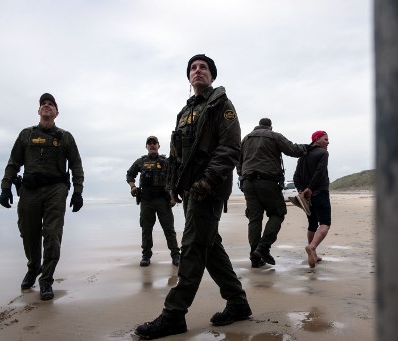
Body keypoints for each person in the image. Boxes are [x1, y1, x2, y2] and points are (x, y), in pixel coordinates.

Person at [135, 54, 251, 339]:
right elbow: (176, 153)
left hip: (208, 189)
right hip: (188, 191)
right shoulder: (185, 112)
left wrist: (208, 180)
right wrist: (171, 184)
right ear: (189, 77)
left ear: (212, 75)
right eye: (193, 68)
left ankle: (174, 314)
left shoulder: (221, 105)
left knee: (192, 247)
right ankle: (237, 302)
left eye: (203, 68)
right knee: (209, 246)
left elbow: (230, 148)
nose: (198, 71)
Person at [0, 93, 84, 301]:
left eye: (51, 104)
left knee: (52, 234)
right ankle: (33, 267)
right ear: (38, 111)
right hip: (29, 191)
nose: (47, 106)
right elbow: (13, 163)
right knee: (28, 233)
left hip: (56, 189)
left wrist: (78, 191)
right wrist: (6, 187)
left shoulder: (65, 137)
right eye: (43, 104)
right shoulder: (26, 135)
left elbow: (76, 165)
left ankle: (46, 279)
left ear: (56, 112)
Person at [237, 118, 307, 268]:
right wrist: (308, 147)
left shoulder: (245, 139)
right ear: (270, 126)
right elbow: (293, 150)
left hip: (248, 182)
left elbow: (238, 162)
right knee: (277, 213)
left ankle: (254, 258)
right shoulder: (274, 136)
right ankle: (263, 247)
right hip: (267, 181)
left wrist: (242, 177)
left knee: (254, 219)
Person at [126, 135, 180, 267]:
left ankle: (175, 255)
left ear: (158, 146)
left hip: (163, 200)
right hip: (146, 200)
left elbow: (174, 177)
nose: (152, 145)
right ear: (146, 147)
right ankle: (146, 255)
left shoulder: (166, 161)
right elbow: (129, 174)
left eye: (154, 143)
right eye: (149, 144)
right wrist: (133, 187)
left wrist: (173, 196)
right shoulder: (141, 161)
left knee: (169, 229)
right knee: (146, 229)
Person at [292, 130, 331, 268]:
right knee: (325, 222)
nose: (328, 142)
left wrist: (301, 190)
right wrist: (311, 188)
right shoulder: (323, 153)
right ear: (317, 140)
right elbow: (320, 172)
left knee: (312, 223)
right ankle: (313, 247)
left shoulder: (302, 157)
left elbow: (296, 176)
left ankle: (313, 254)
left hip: (307, 197)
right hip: (319, 192)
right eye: (325, 139)